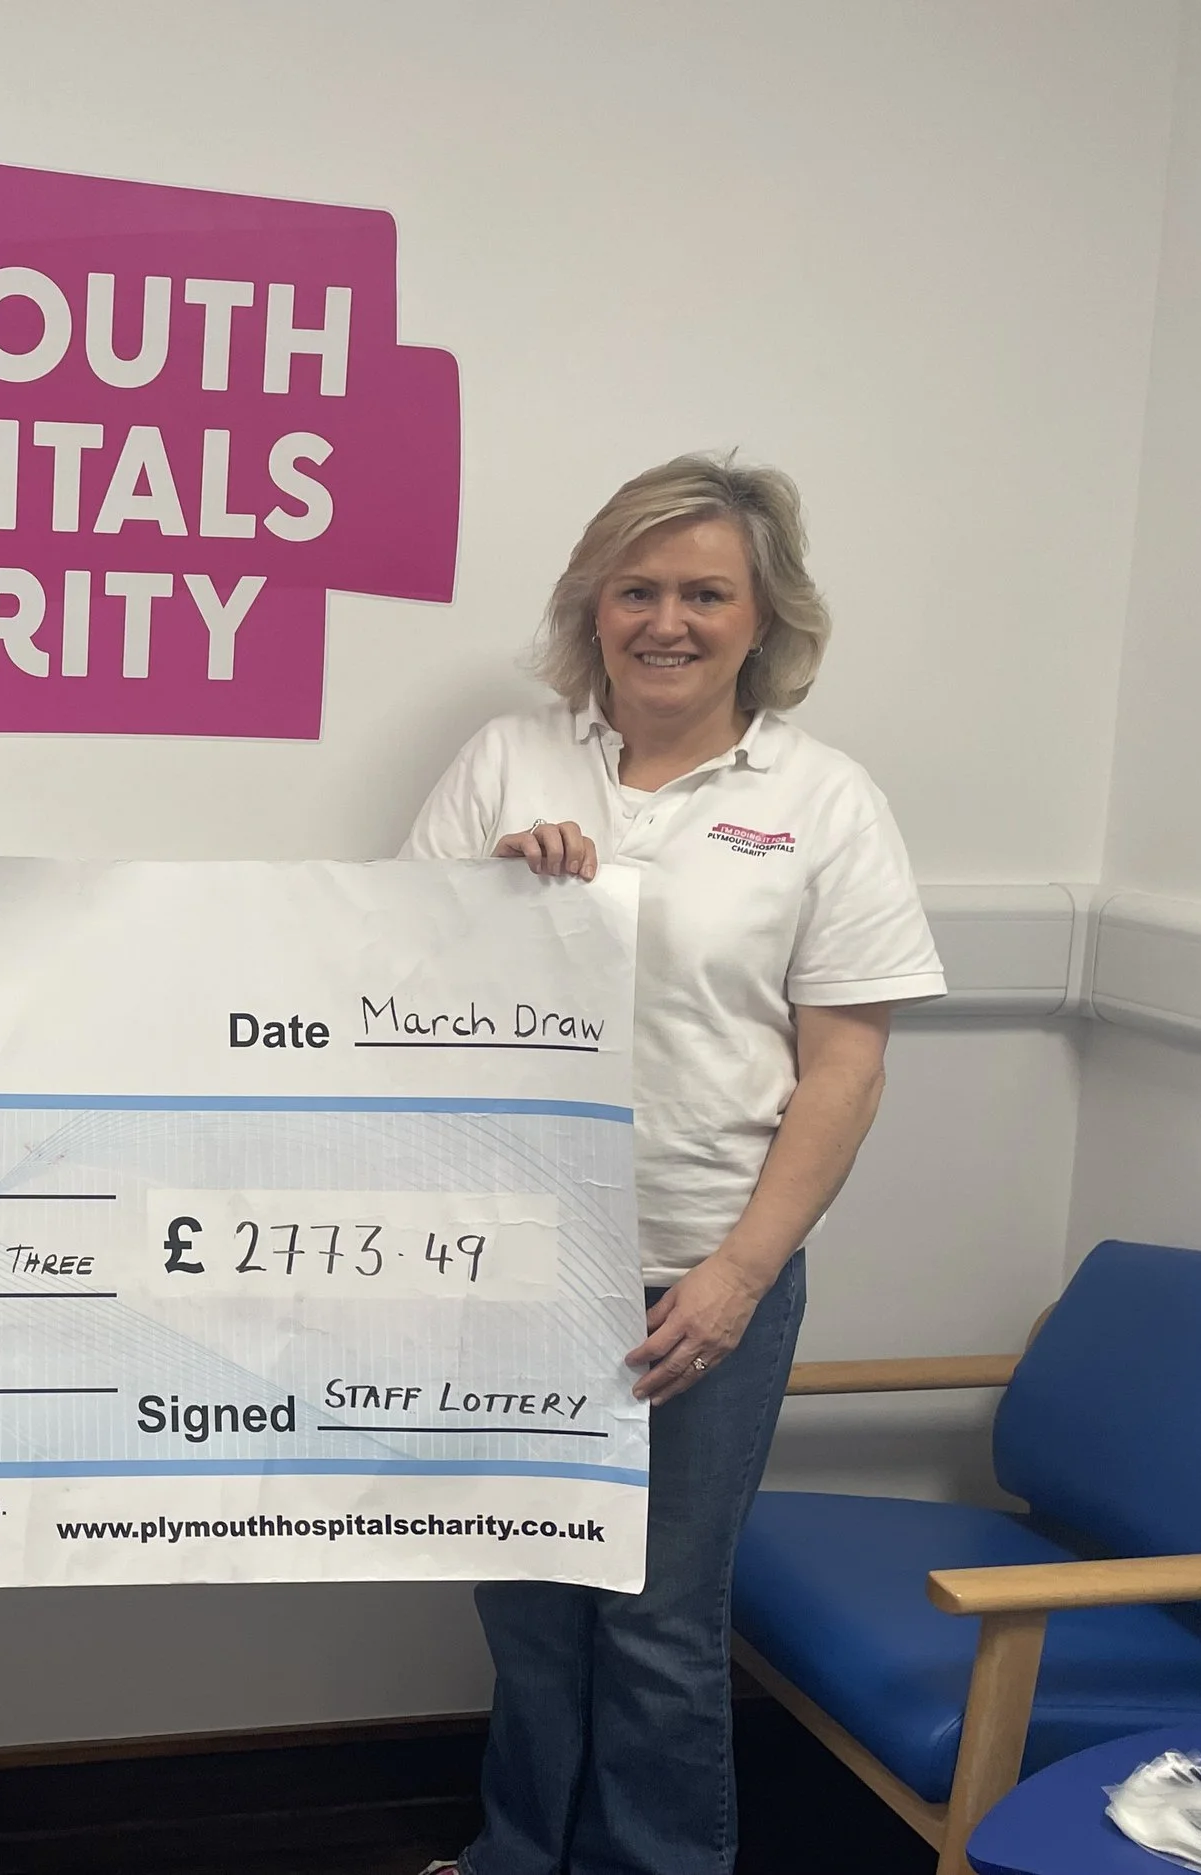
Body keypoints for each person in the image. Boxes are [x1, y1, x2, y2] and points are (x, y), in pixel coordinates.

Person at [404, 454, 944, 1875]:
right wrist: (491, 903)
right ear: (593, 609)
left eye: (706, 592)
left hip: (705, 1268)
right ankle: (522, 1853)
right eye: (635, 590)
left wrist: (738, 1274)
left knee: (656, 1622)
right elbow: (388, 988)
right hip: (510, 1266)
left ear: (764, 618)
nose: (668, 620)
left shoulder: (825, 801)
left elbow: (846, 1066)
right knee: (527, 1603)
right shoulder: (507, 762)